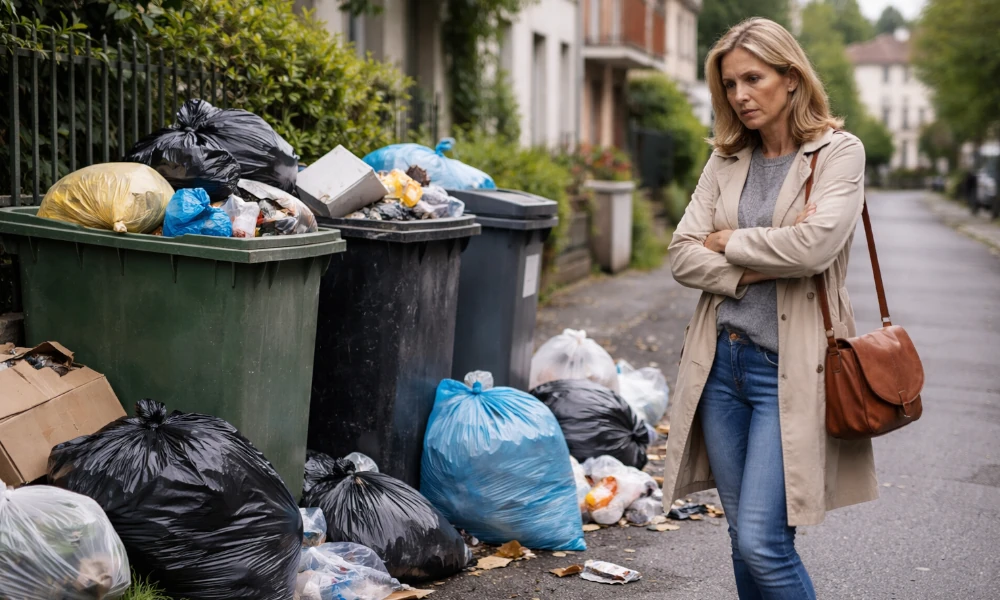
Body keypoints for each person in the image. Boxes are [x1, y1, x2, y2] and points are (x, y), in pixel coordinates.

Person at [660, 17, 878, 600]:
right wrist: (758, 268)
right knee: (743, 539)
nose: (740, 96)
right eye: (730, 85)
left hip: (789, 370)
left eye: (753, 78)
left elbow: (816, 246)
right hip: (721, 368)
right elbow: (682, 256)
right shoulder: (727, 159)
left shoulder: (837, 153)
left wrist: (726, 241)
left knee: (762, 542)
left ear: (790, 77)